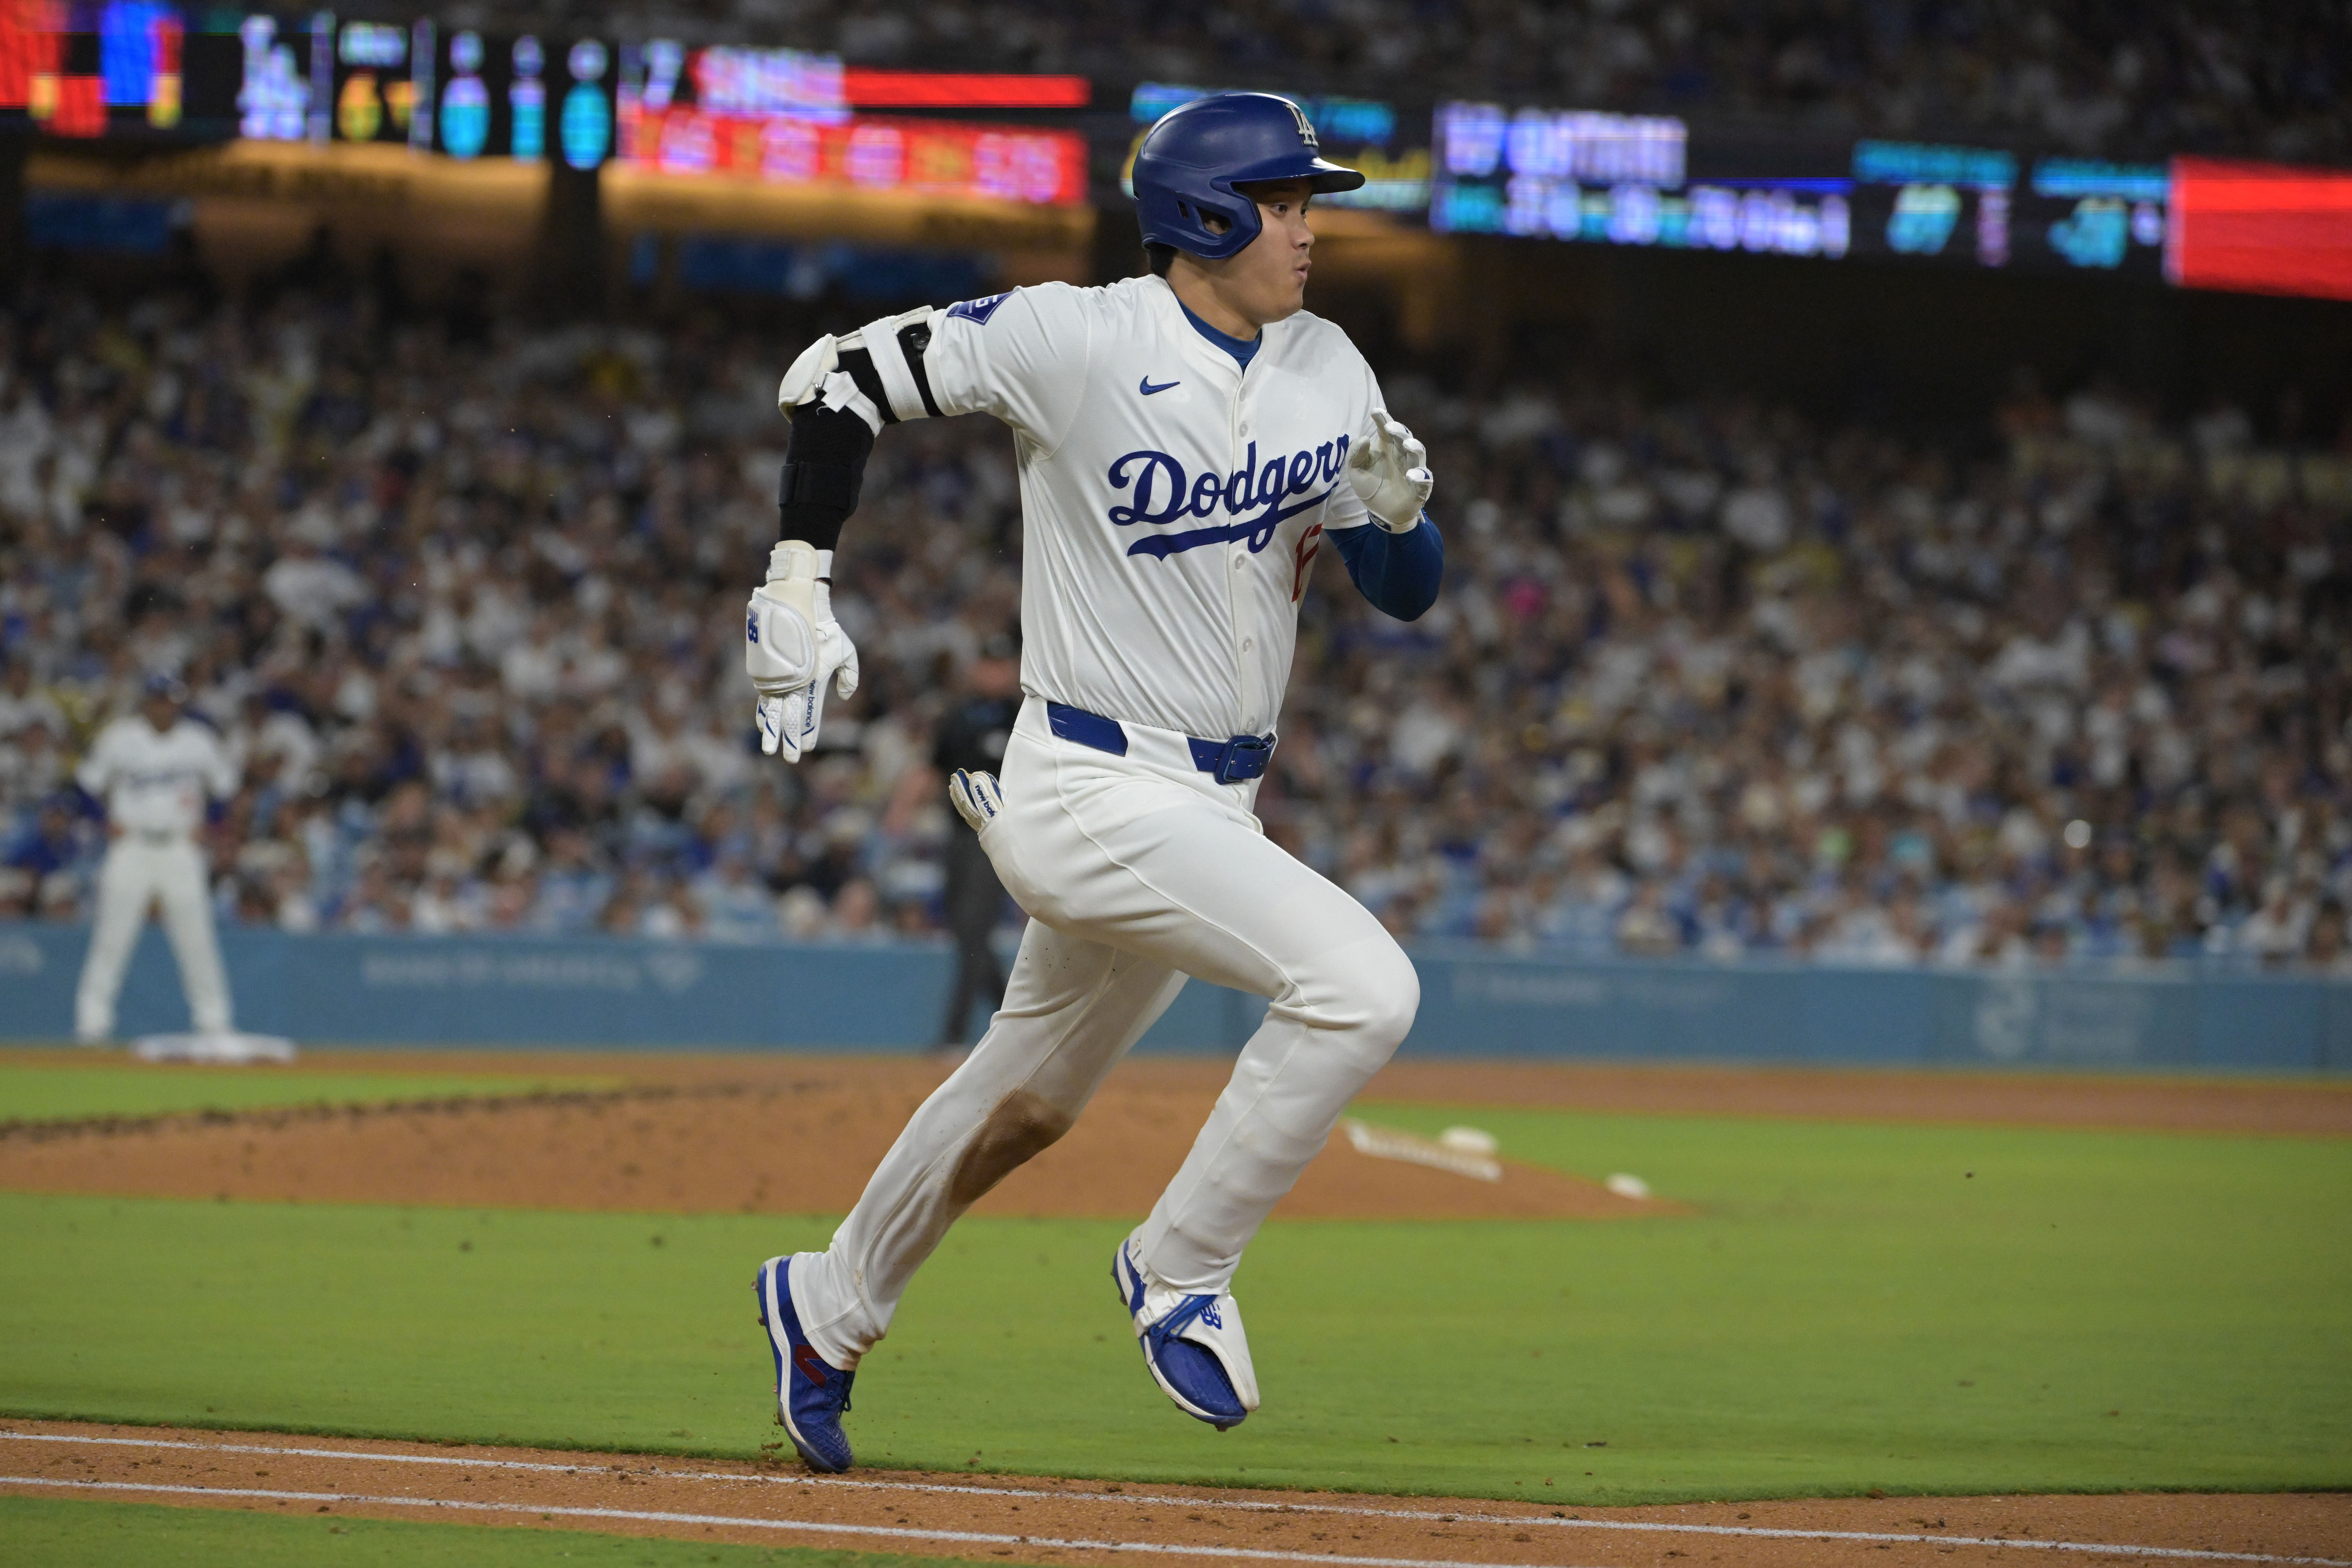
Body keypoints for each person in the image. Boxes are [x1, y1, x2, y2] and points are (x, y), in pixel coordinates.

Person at [741, 91, 1443, 1472]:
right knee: (1365, 987)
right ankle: (1179, 1263)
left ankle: (823, 1307)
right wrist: (794, 572)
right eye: (1289, 202)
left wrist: (1406, 520)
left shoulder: (1328, 362)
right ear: (1209, 215)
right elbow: (835, 376)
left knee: (1027, 1101)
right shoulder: (1078, 337)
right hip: (1093, 781)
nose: (1312, 227)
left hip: (1213, 800)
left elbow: (1401, 592)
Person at [72, 673, 240, 1044]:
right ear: (146, 702)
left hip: (180, 847)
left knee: (197, 938)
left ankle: (213, 1023)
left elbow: (225, 790)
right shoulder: (120, 737)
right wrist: (104, 821)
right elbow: (86, 785)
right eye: (158, 699)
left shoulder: (198, 741)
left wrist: (210, 824)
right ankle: (92, 1023)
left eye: (170, 700)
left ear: (179, 704)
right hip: (131, 845)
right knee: (112, 937)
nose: (164, 706)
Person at [930, 633, 1022, 1046]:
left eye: (1002, 666)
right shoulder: (959, 716)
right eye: (989, 665)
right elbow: (934, 768)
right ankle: (1018, 1028)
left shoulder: (1022, 718)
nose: (995, 674)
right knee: (966, 932)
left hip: (997, 837)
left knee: (972, 930)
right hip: (956, 835)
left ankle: (953, 1037)